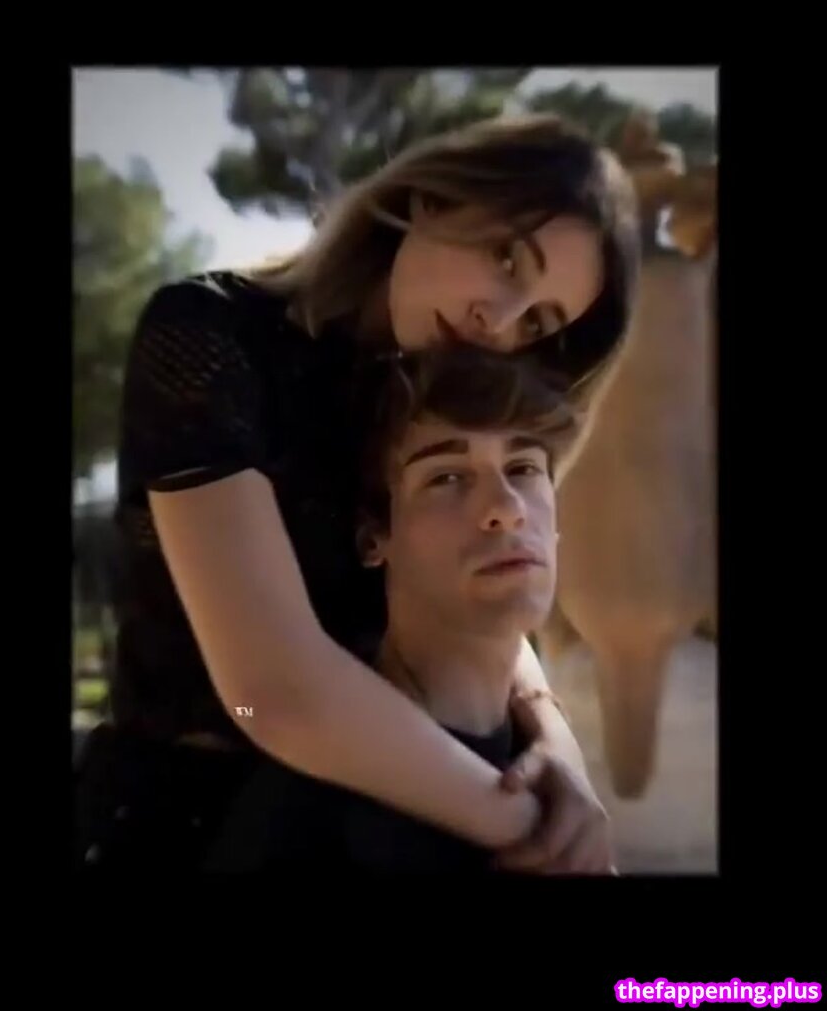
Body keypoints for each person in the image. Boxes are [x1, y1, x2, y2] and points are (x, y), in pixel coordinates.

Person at [73, 112, 640, 871]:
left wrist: (554, 746)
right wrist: (525, 821)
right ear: (432, 198)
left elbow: (492, 569)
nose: (499, 323)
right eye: (507, 259)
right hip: (186, 822)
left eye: (538, 320)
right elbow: (270, 696)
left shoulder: (431, 393)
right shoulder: (212, 337)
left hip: (396, 806)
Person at [205, 340, 616, 873]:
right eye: (447, 477)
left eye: (522, 468)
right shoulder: (316, 815)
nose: (506, 508)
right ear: (374, 536)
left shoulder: (549, 763)